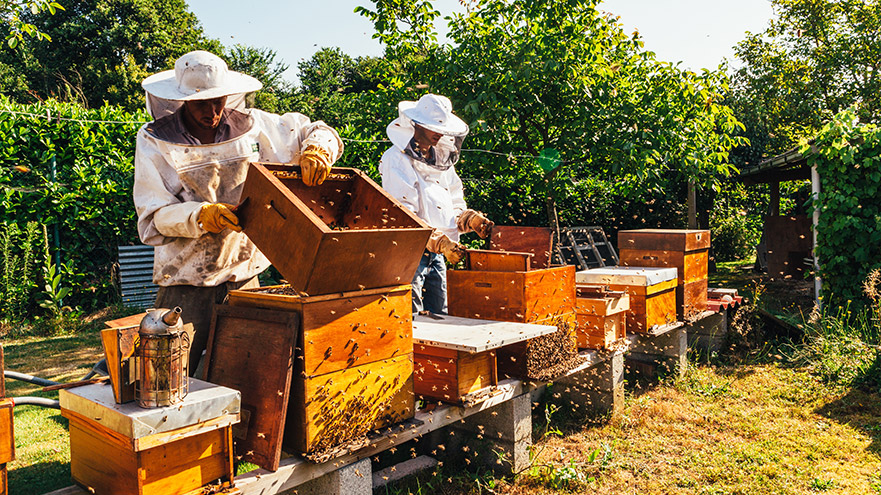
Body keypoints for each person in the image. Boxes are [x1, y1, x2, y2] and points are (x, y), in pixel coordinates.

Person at [134, 50, 343, 373]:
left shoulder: (255, 126)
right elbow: (153, 214)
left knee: (246, 371)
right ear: (181, 101)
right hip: (186, 278)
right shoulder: (154, 141)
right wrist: (200, 216)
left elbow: (314, 129)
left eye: (218, 100)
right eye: (202, 103)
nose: (213, 111)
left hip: (244, 273)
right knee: (169, 373)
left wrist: (316, 149)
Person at [379, 94, 493, 314]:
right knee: (412, 319)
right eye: (432, 127)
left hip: (438, 253)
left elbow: (453, 200)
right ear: (417, 125)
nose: (439, 134)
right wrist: (438, 242)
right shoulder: (397, 159)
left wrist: (469, 219)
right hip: (409, 254)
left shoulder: (442, 160)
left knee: (440, 315)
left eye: (442, 129)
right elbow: (403, 216)